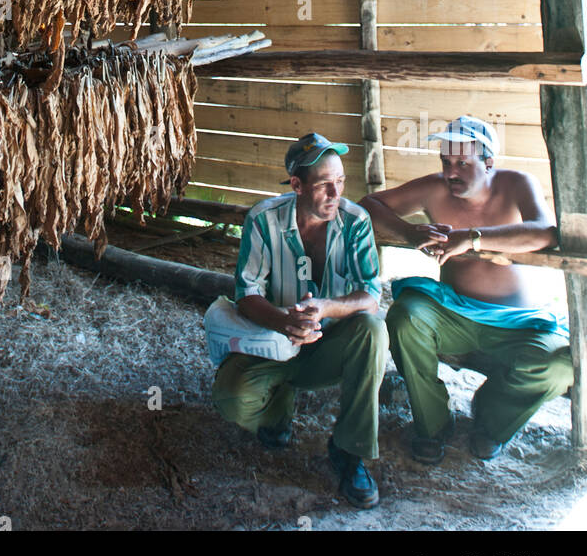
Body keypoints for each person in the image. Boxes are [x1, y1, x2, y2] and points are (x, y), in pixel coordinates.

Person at [360, 115, 573, 464]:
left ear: (488, 163)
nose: (450, 172)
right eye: (445, 161)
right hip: (453, 311)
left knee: (559, 366)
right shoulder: (434, 188)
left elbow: (546, 232)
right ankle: (433, 425)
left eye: (462, 163)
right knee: (404, 317)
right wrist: (408, 232)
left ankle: (490, 421)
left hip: (519, 321)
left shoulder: (517, 183)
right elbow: (370, 203)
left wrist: (472, 240)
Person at [206, 133, 387, 508]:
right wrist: (285, 323)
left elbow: (371, 294)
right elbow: (247, 293)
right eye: (324, 185)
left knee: (373, 329)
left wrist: (324, 308)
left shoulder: (355, 222)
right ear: (297, 185)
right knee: (231, 398)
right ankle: (277, 410)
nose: (335, 194)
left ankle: (349, 453)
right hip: (273, 342)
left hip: (330, 344)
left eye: (340, 182)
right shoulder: (263, 219)